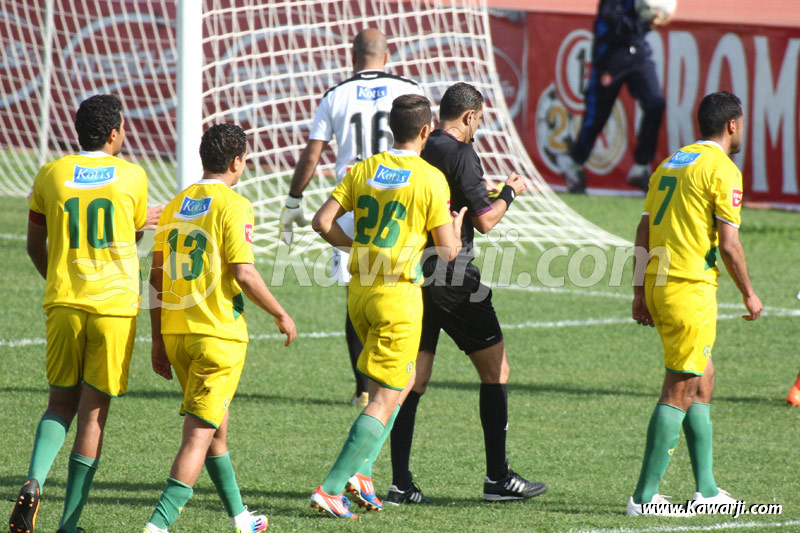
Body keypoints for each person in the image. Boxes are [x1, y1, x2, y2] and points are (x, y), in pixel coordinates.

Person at [387, 82, 546, 504]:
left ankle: (399, 482)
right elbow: (486, 220)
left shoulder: (424, 148)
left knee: (413, 382)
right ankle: (498, 479)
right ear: (470, 116)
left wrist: (483, 196)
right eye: (480, 119)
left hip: (415, 276)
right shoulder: (463, 154)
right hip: (454, 279)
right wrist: (510, 192)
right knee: (497, 371)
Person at [309, 94, 465, 518]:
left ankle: (361, 473)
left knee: (402, 379)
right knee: (387, 395)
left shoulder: (362, 169)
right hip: (397, 295)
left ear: (390, 130)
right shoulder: (430, 178)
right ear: (425, 131)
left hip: (359, 291)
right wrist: (456, 226)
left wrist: (356, 245)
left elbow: (321, 222)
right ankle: (331, 487)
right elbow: (447, 253)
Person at [143, 124, 297, 533]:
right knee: (197, 434)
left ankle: (241, 519)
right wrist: (281, 313)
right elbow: (244, 273)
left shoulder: (174, 204)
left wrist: (158, 341)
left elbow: (156, 278)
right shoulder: (234, 205)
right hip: (217, 338)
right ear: (236, 161)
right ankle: (155, 528)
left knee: (215, 431)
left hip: (178, 335)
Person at [11, 94, 152, 533]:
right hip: (112, 309)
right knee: (92, 414)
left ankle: (34, 481)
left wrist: (56, 280)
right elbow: (136, 232)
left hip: (64, 304)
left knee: (58, 404)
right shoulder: (132, 176)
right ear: (114, 134)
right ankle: (69, 525)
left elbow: (35, 244)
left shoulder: (50, 174)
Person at [628, 91, 762, 515]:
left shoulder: (671, 161)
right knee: (680, 388)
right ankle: (643, 499)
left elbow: (643, 230)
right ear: (733, 125)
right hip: (689, 288)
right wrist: (749, 292)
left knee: (703, 378)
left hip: (659, 284)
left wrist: (638, 291)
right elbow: (730, 243)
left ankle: (706, 490)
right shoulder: (723, 170)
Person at [280, 28, 424, 407]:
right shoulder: (407, 87)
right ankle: (399, 376)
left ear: (351, 55)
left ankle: (363, 388)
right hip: (399, 197)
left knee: (355, 291)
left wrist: (294, 201)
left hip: (351, 198)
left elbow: (312, 155)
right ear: (388, 55)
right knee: (401, 283)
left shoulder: (336, 95)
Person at [559, 0, 671, 193]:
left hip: (638, 53)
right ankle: (574, 162)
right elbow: (612, 19)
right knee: (597, 116)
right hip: (609, 56)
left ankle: (641, 166)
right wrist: (647, 22)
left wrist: (659, 16)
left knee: (655, 103)